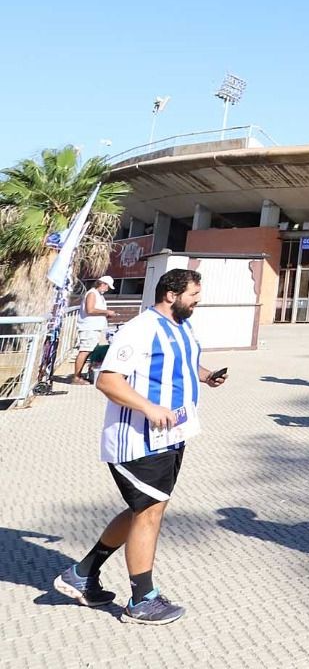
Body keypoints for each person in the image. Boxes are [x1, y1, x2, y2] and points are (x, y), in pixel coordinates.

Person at [54, 268, 227, 625]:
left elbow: (184, 362)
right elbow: (107, 380)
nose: (198, 301)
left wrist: (206, 376)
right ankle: (141, 599)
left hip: (173, 435)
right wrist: (148, 407)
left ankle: (82, 574)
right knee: (149, 511)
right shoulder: (141, 329)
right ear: (171, 294)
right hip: (139, 440)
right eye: (193, 295)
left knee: (142, 509)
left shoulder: (182, 326)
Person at [73, 275, 115, 384]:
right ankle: (76, 377)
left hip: (95, 327)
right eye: (107, 287)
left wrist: (105, 314)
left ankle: (82, 375)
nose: (107, 289)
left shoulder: (98, 295)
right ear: (102, 284)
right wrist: (106, 312)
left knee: (90, 350)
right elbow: (90, 310)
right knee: (85, 350)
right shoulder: (92, 294)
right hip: (89, 328)